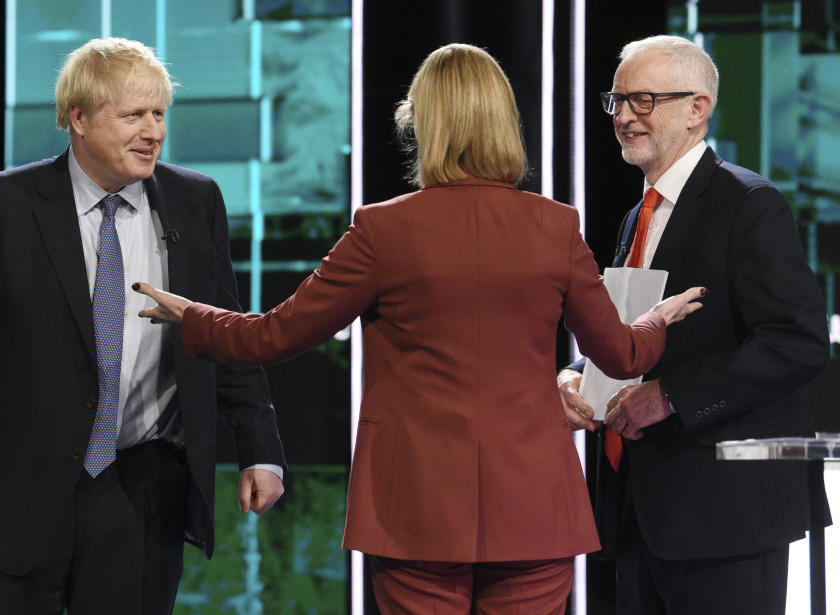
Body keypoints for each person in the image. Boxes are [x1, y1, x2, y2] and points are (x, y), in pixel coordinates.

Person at [133, 43, 704, 615]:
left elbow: (270, 337)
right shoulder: (555, 227)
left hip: (417, 511)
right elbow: (624, 356)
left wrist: (193, 315)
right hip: (533, 509)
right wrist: (657, 318)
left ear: (424, 124)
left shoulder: (382, 230)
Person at [0, 37, 286, 615]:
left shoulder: (195, 201)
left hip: (142, 489)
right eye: (133, 115)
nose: (153, 132)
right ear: (78, 119)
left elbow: (222, 330)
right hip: (13, 495)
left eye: (159, 114)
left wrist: (260, 448)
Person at [557, 35, 830, 615]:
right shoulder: (639, 214)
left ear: (697, 108)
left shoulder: (748, 203)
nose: (625, 116)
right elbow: (639, 331)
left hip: (725, 515)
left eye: (644, 100)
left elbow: (798, 342)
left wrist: (671, 397)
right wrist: (577, 376)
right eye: (618, 101)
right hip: (641, 509)